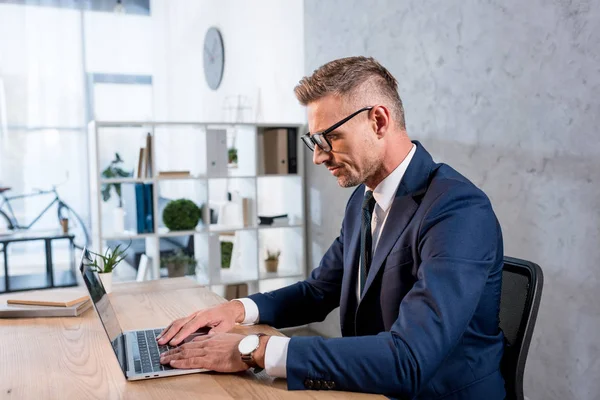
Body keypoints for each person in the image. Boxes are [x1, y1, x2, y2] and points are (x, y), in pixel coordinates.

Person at [157, 56, 506, 399]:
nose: (318, 157)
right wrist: (237, 309)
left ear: (379, 122)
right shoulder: (363, 200)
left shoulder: (457, 210)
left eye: (330, 138)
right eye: (314, 141)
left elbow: (408, 359)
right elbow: (318, 291)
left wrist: (256, 350)